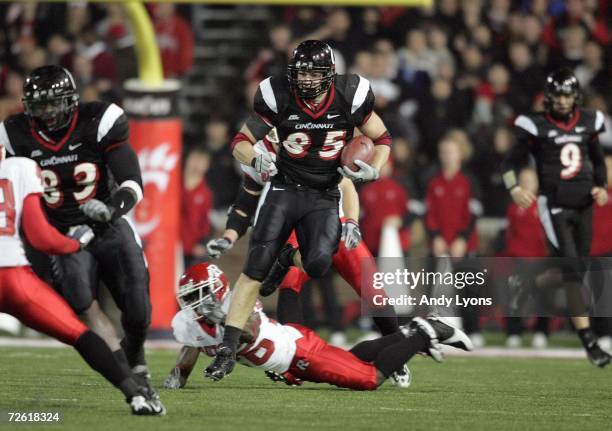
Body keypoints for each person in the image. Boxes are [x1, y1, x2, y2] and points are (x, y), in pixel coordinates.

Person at [206, 40, 392, 380]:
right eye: (301, 73)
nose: (305, 80)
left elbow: (382, 139)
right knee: (254, 270)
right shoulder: (278, 94)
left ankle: (285, 259)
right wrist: (255, 157)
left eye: (313, 73)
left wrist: (376, 167)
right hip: (284, 188)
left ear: (329, 74)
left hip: (325, 193)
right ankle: (227, 348)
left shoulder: (350, 94)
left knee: (319, 264)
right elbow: (239, 143)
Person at [1, 65, 154, 383]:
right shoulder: (15, 133)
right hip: (62, 234)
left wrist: (110, 209)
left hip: (107, 227)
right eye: (39, 106)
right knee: (83, 305)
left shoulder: (99, 120)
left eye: (52, 104)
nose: (46, 113)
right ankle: (125, 375)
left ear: (71, 100)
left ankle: (135, 353)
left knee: (139, 311)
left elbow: (132, 183)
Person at [0, 147, 164, 415]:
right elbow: (41, 236)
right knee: (80, 334)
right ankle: (136, 396)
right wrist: (74, 245)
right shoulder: (19, 166)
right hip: (15, 277)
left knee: (126, 309)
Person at [163, 262, 472, 390]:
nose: (192, 303)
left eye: (197, 295)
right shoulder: (198, 323)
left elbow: (249, 330)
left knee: (369, 379)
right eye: (189, 297)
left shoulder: (235, 306)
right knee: (355, 359)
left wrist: (222, 328)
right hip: (292, 355)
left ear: (216, 289)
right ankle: (408, 333)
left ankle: (424, 332)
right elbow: (191, 346)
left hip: (297, 351)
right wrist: (176, 379)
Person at [501, 68, 610, 367]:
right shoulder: (534, 125)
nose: (563, 101)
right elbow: (509, 162)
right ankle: (589, 341)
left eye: (567, 95)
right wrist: (513, 187)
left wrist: (601, 186)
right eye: (558, 96)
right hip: (555, 204)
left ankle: (528, 284)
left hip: (585, 203)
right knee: (574, 271)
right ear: (549, 97)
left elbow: (598, 161)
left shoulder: (589, 121)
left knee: (579, 270)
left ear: (575, 96)